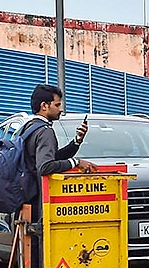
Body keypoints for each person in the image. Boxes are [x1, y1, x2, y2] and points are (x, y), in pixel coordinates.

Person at [21, 85, 96, 214]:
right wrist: (76, 162)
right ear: (44, 106)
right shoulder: (45, 132)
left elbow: (53, 157)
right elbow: (45, 166)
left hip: (27, 198)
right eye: (57, 105)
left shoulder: (30, 127)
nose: (61, 109)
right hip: (38, 202)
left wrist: (76, 141)